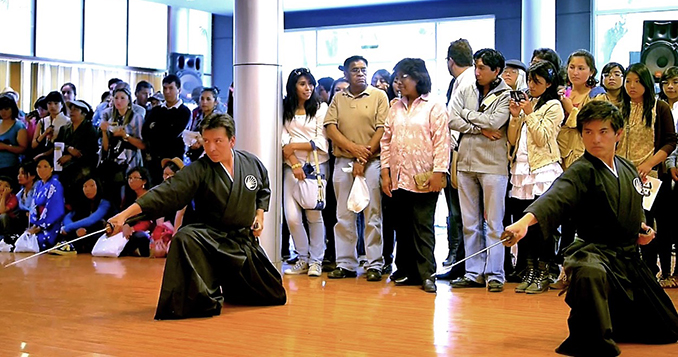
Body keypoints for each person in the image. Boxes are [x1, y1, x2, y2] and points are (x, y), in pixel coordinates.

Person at [503, 100, 678, 356]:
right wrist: (522, 223)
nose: (595, 139)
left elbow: (632, 204)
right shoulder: (580, 171)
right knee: (588, 272)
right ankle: (592, 337)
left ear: (618, 134)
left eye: (603, 131)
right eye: (588, 132)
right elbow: (554, 197)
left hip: (627, 257)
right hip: (593, 251)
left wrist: (640, 228)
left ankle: (615, 321)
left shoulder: (627, 167)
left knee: (668, 328)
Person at [107, 113, 286, 320]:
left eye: (218, 141)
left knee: (274, 294)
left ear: (232, 141)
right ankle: (200, 298)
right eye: (206, 141)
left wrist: (259, 216)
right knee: (185, 238)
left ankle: (231, 285)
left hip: (241, 240)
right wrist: (124, 215)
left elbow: (263, 189)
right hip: (210, 238)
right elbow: (167, 192)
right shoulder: (200, 169)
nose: (210, 148)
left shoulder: (251, 163)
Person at [381, 58, 450, 293]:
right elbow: (386, 141)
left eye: (403, 78)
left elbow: (442, 142)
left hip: (424, 176)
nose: (399, 82)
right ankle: (406, 271)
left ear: (418, 78)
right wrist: (385, 173)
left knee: (423, 226)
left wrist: (439, 173)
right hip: (399, 176)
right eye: (397, 78)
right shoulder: (395, 107)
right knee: (403, 226)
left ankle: (427, 274)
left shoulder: (434, 106)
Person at [448, 48, 511, 293]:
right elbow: (451, 119)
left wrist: (467, 116)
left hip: (493, 165)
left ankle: (495, 274)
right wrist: (478, 128)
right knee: (469, 223)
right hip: (465, 162)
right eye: (476, 66)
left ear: (496, 71)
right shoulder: (465, 88)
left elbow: (495, 122)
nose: (477, 71)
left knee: (494, 223)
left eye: (483, 67)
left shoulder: (506, 94)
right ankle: (473, 272)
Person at [324, 55, 389, 281]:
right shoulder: (338, 98)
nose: (360, 73)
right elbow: (330, 127)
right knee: (343, 214)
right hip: (343, 161)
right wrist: (353, 149)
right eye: (355, 70)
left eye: (363, 69)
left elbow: (382, 129)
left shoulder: (379, 96)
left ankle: (374, 264)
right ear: (346, 74)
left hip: (371, 162)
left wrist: (363, 158)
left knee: (372, 214)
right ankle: (346, 263)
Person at [506, 60, 564, 294]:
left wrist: (529, 114)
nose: (531, 85)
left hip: (543, 171)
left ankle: (543, 271)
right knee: (524, 224)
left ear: (549, 83)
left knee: (543, 226)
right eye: (529, 80)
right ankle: (528, 270)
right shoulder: (529, 103)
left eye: (537, 81)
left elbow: (542, 138)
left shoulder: (554, 106)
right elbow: (512, 140)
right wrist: (514, 116)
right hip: (521, 170)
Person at [618, 63, 676, 287]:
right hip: (624, 174)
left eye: (637, 81)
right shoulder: (619, 108)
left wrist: (649, 162)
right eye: (628, 81)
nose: (632, 86)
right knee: (631, 223)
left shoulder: (660, 108)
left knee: (655, 223)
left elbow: (671, 141)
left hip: (653, 175)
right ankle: (634, 269)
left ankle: (659, 271)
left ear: (647, 83)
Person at [281, 68, 329, 277]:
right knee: (291, 217)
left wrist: (294, 147)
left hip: (315, 166)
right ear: (293, 86)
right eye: (302, 84)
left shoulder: (320, 107)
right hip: (290, 166)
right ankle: (302, 257)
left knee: (313, 213)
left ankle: (316, 261)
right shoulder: (285, 108)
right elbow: (282, 140)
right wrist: (293, 160)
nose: (308, 88)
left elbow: (321, 142)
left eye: (310, 84)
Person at [558, 49, 606, 170]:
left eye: (581, 68)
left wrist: (571, 110)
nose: (575, 72)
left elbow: (596, 126)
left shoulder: (597, 95)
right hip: (561, 153)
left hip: (585, 154)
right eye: (572, 67)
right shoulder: (563, 93)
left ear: (591, 72)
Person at [99, 84, 145, 209]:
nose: (119, 101)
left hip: (131, 160)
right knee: (113, 194)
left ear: (129, 100)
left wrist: (126, 136)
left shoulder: (137, 118)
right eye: (116, 98)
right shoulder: (110, 117)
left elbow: (142, 144)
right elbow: (105, 147)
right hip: (113, 160)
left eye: (122, 98)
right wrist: (104, 131)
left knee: (128, 194)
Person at [142, 74, 191, 184]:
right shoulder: (156, 110)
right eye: (165, 88)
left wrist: (155, 129)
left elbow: (173, 135)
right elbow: (145, 132)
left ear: (179, 90)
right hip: (154, 161)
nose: (167, 92)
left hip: (173, 160)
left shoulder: (184, 112)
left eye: (171, 88)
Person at [54, 100, 99, 202]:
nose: (72, 112)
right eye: (71, 109)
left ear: (84, 113)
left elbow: (91, 150)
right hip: (64, 165)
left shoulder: (90, 129)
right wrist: (68, 149)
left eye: (76, 110)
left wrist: (72, 156)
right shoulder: (64, 129)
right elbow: (58, 144)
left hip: (83, 166)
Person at [56, 177, 112, 254]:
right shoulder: (81, 202)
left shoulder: (105, 202)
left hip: (100, 231)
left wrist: (68, 228)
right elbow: (68, 216)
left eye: (92, 186)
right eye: (85, 186)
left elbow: (91, 220)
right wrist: (75, 230)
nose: (88, 189)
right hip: (81, 231)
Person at [26, 157, 65, 251]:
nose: (41, 170)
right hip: (39, 221)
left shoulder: (55, 185)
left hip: (52, 224)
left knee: (39, 241)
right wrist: (34, 224)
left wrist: (39, 227)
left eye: (45, 166)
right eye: (39, 167)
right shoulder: (38, 184)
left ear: (51, 168)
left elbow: (54, 208)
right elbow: (34, 206)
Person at [118, 167, 154, 257]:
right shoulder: (128, 197)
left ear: (144, 181)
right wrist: (124, 226)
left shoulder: (150, 196)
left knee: (140, 237)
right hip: (128, 231)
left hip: (146, 231)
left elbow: (148, 221)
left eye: (135, 178)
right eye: (129, 178)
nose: (131, 181)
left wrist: (132, 229)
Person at [32, 91, 70, 162]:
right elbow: (33, 145)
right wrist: (44, 134)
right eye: (49, 103)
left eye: (56, 103)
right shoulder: (42, 121)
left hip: (60, 156)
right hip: (42, 156)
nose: (52, 106)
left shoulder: (67, 122)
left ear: (62, 105)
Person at [186, 87, 221, 162]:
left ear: (215, 102)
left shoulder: (218, 118)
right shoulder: (197, 115)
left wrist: (202, 142)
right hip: (196, 156)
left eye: (208, 99)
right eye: (202, 99)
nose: (204, 102)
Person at [0, 95, 28, 178]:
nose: (3, 112)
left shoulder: (19, 125)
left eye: (6, 109)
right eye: (1, 109)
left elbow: (23, 148)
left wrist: (5, 147)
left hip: (10, 166)